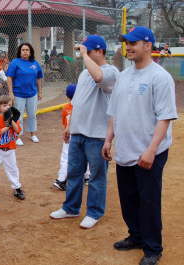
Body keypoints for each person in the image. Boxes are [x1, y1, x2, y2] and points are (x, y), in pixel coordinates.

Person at [102, 26, 178, 265]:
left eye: (133, 43)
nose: (129, 47)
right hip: (126, 148)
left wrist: (152, 150)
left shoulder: (160, 77)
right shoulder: (124, 75)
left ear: (148, 45)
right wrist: (108, 139)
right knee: (128, 198)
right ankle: (135, 235)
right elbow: (114, 112)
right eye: (126, 43)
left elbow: (165, 117)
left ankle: (153, 248)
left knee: (148, 201)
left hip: (149, 150)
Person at [49, 35, 119, 229]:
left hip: (97, 135)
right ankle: (70, 208)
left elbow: (99, 77)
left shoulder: (111, 71)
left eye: (88, 51)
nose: (83, 54)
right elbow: (77, 103)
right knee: (74, 173)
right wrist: (69, 127)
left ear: (99, 51)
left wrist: (84, 55)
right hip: (78, 133)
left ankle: (95, 212)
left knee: (96, 177)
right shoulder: (83, 74)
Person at [0, 95, 25, 200]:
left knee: (12, 169)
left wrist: (11, 121)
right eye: (5, 105)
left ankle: (17, 188)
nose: (8, 107)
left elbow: (18, 131)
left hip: (10, 149)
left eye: (10, 105)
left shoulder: (13, 119)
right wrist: (7, 125)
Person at [52, 84, 90, 191]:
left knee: (66, 157)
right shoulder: (85, 106)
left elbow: (65, 125)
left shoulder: (66, 108)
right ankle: (87, 177)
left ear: (67, 96)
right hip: (84, 134)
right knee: (86, 154)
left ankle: (61, 180)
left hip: (69, 135)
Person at [6, 42, 43, 146]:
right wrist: (11, 92)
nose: (25, 52)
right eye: (23, 50)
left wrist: (40, 92)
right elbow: (9, 77)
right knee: (18, 116)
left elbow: (39, 78)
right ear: (20, 52)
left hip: (32, 94)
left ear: (30, 52)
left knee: (32, 115)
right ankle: (17, 136)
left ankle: (33, 134)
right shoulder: (15, 62)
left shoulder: (35, 64)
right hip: (18, 94)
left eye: (27, 50)